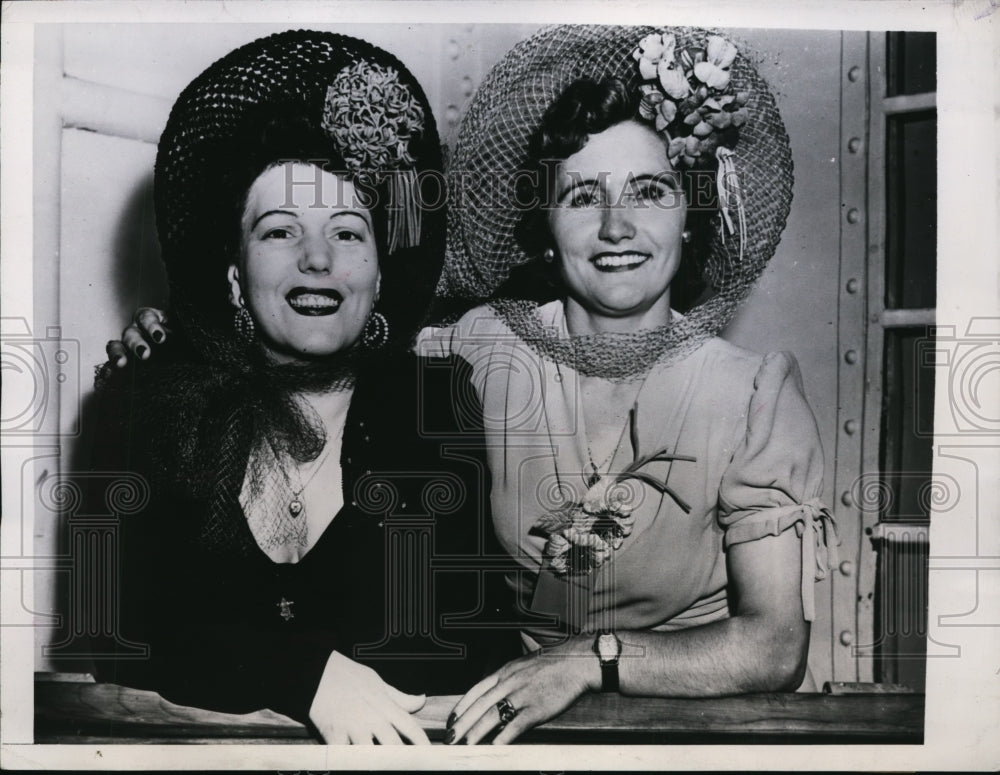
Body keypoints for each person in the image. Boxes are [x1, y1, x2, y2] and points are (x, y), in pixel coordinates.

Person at [111, 25, 838, 745]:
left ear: (690, 217)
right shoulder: (481, 348)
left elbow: (775, 646)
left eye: (649, 192)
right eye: (584, 196)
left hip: (683, 736)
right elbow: (336, 337)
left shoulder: (753, 396)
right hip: (500, 732)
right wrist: (183, 339)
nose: (617, 226)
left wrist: (592, 659)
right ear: (546, 228)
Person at [86, 30, 517, 745]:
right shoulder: (146, 403)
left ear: (379, 276)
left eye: (348, 233)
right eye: (280, 231)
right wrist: (302, 670)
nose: (317, 258)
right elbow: (120, 634)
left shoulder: (436, 404)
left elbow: (467, 643)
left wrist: (231, 652)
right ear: (233, 275)